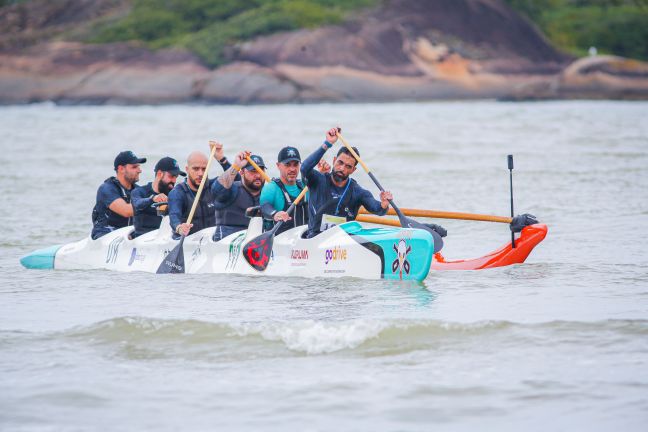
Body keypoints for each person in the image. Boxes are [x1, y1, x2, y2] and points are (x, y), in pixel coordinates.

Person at [300, 128, 393, 238]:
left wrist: (383, 204)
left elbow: (378, 210)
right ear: (334, 161)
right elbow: (304, 168)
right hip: (314, 240)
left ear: (353, 170)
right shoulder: (317, 180)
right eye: (340, 162)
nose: (342, 168)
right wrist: (327, 144)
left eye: (348, 166)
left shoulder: (358, 192)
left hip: (342, 246)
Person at [168, 143, 232, 238]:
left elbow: (237, 179)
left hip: (210, 242)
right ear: (187, 169)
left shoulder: (213, 186)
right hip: (187, 241)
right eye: (196, 169)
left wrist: (222, 159)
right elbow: (174, 217)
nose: (200, 173)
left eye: (204, 169)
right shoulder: (178, 193)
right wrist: (180, 228)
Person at [211, 151, 266, 241]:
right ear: (242, 173)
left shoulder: (268, 193)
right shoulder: (232, 189)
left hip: (255, 242)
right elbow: (216, 190)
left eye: (261, 170)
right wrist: (236, 166)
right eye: (253, 171)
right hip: (226, 243)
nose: (258, 175)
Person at [91, 151, 146, 240]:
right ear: (121, 169)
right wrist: (151, 202)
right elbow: (126, 211)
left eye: (139, 166)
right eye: (134, 167)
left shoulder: (138, 190)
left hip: (128, 235)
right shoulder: (106, 189)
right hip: (104, 235)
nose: (140, 170)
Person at [259, 146, 312, 235]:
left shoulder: (305, 187)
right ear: (278, 165)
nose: (292, 169)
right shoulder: (271, 188)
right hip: (280, 243)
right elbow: (264, 206)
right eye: (287, 165)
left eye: (295, 164)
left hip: (304, 242)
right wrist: (275, 214)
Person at [131, 157, 186, 239]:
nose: (174, 181)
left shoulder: (174, 195)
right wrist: (152, 199)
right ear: (160, 174)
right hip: (143, 240)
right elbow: (136, 204)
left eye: (176, 177)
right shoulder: (139, 192)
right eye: (171, 176)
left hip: (164, 239)